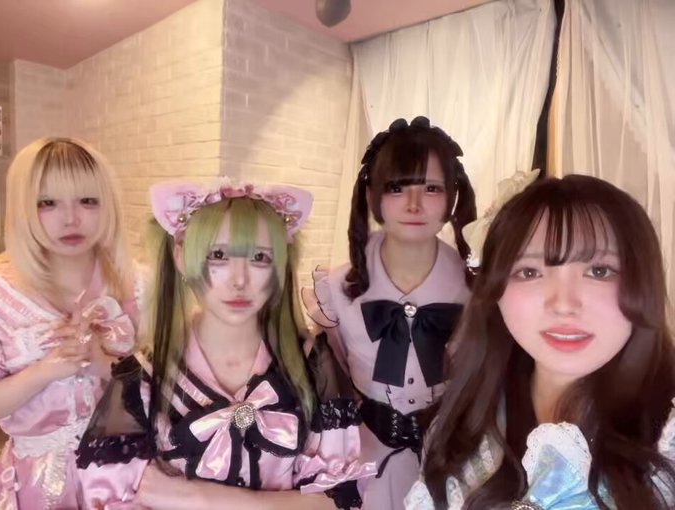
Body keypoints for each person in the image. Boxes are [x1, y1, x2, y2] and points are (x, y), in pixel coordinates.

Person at [77, 179, 376, 509]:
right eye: (218, 255)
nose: (239, 280)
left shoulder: (311, 364)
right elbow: (112, 497)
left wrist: (196, 497)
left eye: (260, 257)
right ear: (181, 256)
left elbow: (336, 500)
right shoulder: (144, 377)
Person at [406, 174, 675, 509]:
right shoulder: (459, 424)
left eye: (599, 271)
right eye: (530, 272)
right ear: (494, 291)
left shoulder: (668, 439)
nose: (563, 304)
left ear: (644, 283)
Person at [303, 117, 476, 510]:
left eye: (431, 188)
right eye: (397, 188)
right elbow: (336, 369)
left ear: (452, 196)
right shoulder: (335, 287)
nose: (414, 204)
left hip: (454, 458)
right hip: (366, 456)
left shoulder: (476, 287)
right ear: (372, 195)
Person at [0, 137, 139, 509]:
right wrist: (44, 371)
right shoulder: (0, 292)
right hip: (38, 485)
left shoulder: (137, 284)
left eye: (88, 200)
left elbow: (167, 390)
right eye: (47, 203)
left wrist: (104, 363)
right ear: (23, 208)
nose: (71, 218)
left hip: (127, 478)